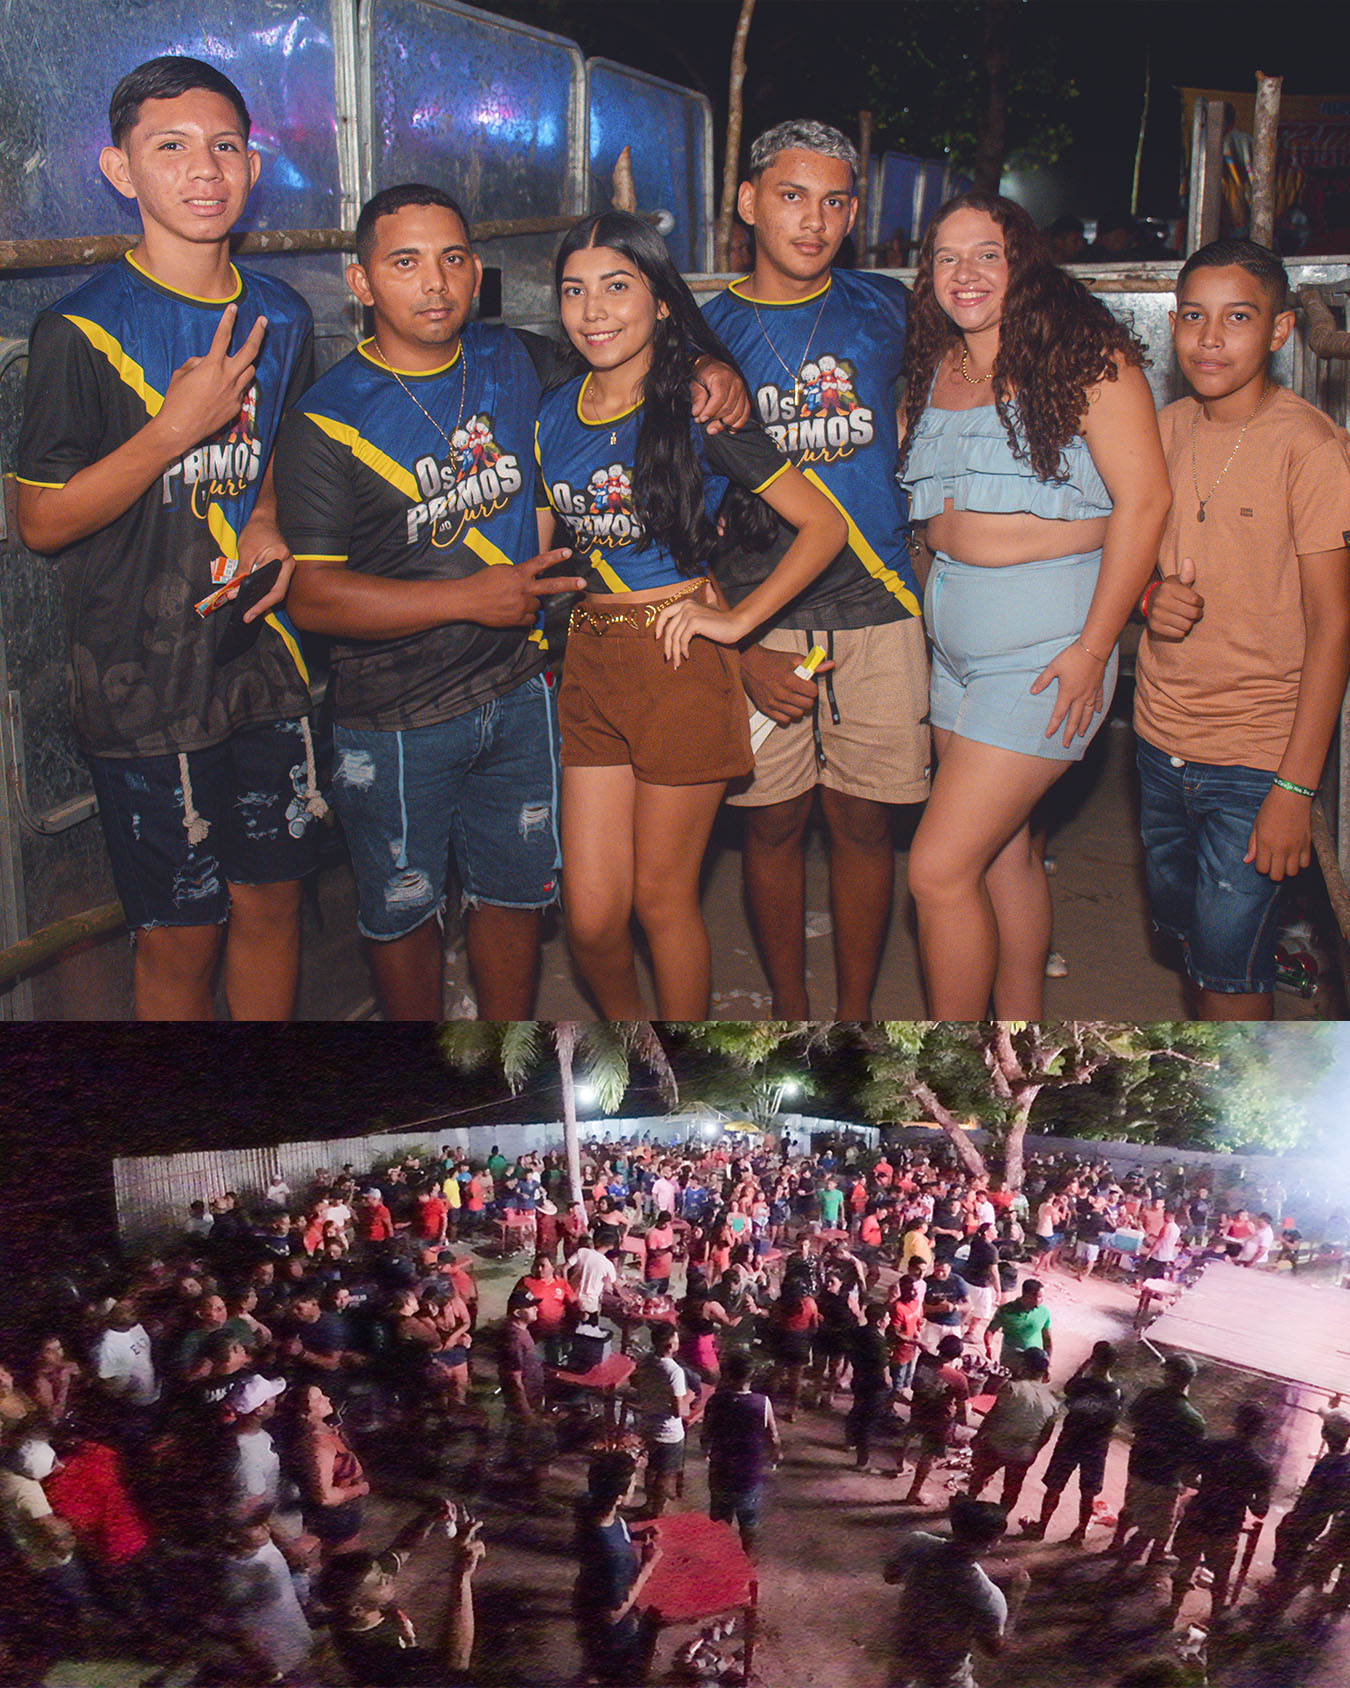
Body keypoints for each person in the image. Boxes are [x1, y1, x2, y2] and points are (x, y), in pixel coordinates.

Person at [15, 56, 321, 1020]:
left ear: (253, 165)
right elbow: (39, 520)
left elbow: (282, 455)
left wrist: (270, 519)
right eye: (171, 147)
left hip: (266, 660)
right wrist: (172, 428)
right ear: (120, 170)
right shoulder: (80, 328)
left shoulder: (285, 312)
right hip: (141, 680)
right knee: (181, 940)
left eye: (224, 146)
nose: (204, 170)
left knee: (272, 903)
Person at [536, 210, 844, 1018]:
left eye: (616, 287)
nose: (593, 310)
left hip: (679, 658)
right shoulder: (551, 415)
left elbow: (823, 526)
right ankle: (632, 1044)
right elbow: (541, 544)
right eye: (575, 291)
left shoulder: (700, 406)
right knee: (592, 916)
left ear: (661, 303)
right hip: (590, 662)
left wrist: (737, 625)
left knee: (659, 900)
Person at [897, 191, 1171, 1016]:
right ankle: (1021, 1040)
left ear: (1023, 260)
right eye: (946, 257)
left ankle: (957, 1065)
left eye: (987, 253)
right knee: (1004, 855)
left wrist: (1094, 649)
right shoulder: (934, 367)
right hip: (953, 657)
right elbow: (932, 523)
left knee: (937, 870)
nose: (966, 273)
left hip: (1046, 654)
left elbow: (1146, 504)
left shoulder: (1087, 358)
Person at [703, 119, 929, 1020]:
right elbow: (675, 515)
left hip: (878, 607)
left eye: (836, 200)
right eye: (793, 196)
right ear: (750, 202)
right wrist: (738, 646)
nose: (815, 220)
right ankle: (793, 1016)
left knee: (865, 824)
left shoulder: (889, 307)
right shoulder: (702, 331)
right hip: (764, 617)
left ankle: (854, 1016)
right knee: (772, 823)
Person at [1135, 238, 1350, 1020]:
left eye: (1238, 318)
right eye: (1194, 317)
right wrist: (1150, 600)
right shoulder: (1161, 430)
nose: (1211, 339)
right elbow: (1127, 571)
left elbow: (1335, 627)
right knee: (1193, 945)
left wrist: (1294, 786)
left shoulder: (1310, 448)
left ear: (1282, 331)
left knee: (1230, 978)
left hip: (1255, 760)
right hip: (1159, 743)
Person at [319, 1501, 485, 1686]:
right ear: (357, 1610)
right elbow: (455, 1663)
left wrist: (428, 1518)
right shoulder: (374, 1654)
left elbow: (402, 1547)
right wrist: (462, 1575)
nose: (387, 1576)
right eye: (380, 1581)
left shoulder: (357, 1600)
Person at [884, 1496, 1025, 1688]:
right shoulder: (988, 1597)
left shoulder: (917, 1543)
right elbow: (994, 1650)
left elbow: (891, 1576)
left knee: (899, 1680)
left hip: (905, 1640)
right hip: (945, 1667)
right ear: (993, 1543)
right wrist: (1016, 1600)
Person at [1166, 1400, 1272, 1625]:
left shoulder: (1210, 1447)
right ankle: (1215, 1616)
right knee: (1221, 1575)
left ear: (1236, 1422)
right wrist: (1244, 1495)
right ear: (1259, 1431)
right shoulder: (1261, 1467)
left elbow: (1186, 1476)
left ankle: (1172, 1611)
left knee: (1185, 1566)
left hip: (1199, 1515)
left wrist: (1207, 1485)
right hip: (1227, 1525)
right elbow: (1260, 1509)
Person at [572, 1450, 663, 1684]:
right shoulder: (612, 1555)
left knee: (593, 1659)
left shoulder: (590, 1510)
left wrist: (636, 1534)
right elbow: (613, 1614)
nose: (635, 1487)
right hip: (613, 1636)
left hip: (586, 1608)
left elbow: (614, 1528)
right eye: (633, 1484)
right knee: (617, 1676)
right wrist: (648, 1567)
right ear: (619, 1496)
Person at [1109, 1352, 1206, 1568]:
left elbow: (1132, 1420)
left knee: (1130, 1507)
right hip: (1165, 1479)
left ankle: (1116, 1542)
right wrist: (1194, 1481)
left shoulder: (1148, 1396)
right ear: (1189, 1379)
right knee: (1154, 1529)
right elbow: (1191, 1460)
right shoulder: (1194, 1419)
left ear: (1168, 1375)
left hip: (1137, 1466)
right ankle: (1123, 1568)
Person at [1026, 1339, 1123, 1544]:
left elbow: (1068, 1388)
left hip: (1071, 1440)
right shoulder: (1116, 1391)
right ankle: (1080, 1532)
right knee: (1088, 1492)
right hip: (1096, 1446)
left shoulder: (1081, 1384)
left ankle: (1041, 1526)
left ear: (1094, 1359)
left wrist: (1082, 1367)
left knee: (1054, 1486)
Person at [702, 1349, 781, 1553]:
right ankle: (747, 1558)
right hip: (749, 1471)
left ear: (727, 1374)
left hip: (721, 1470)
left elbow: (706, 1434)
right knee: (748, 1520)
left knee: (719, 1520)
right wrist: (775, 1453)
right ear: (752, 1375)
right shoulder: (761, 1403)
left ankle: (721, 1558)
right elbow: (772, 1436)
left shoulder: (716, 1401)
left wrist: (706, 1452)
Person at [965, 1346, 1059, 1513]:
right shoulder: (1052, 1401)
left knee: (980, 1475)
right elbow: (1045, 1436)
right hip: (1023, 1453)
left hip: (998, 1446)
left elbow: (993, 1417)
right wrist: (1031, 1452)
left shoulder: (1012, 1388)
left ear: (1025, 1366)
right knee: (1012, 1488)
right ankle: (1001, 1517)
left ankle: (968, 1502)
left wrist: (979, 1438)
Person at [287, 1380, 369, 1557]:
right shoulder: (318, 1446)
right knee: (345, 1561)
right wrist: (359, 1489)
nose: (327, 1398)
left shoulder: (326, 1432)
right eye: (317, 1399)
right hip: (337, 1516)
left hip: (344, 1511)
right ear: (304, 1414)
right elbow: (324, 1496)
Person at [895, 1334, 971, 1505]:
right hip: (939, 1420)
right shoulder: (958, 1379)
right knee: (928, 1455)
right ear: (957, 1356)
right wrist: (960, 1421)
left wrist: (920, 1343)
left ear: (939, 1347)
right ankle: (914, 1492)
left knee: (911, 1431)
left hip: (918, 1408)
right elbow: (961, 1406)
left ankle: (900, 1463)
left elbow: (925, 1351)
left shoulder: (924, 1360)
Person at [631, 1322, 691, 1518]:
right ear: (670, 1345)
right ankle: (656, 1512)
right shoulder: (674, 1372)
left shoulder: (646, 1361)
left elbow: (637, 1384)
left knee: (651, 1468)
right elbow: (678, 1410)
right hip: (669, 1433)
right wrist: (689, 1398)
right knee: (665, 1473)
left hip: (648, 1425)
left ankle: (648, 1503)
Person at [846, 1300, 895, 1473]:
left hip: (859, 1379)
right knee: (868, 1423)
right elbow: (884, 1370)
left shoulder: (858, 1332)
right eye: (887, 1317)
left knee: (856, 1411)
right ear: (880, 1321)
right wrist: (890, 1385)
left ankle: (849, 1441)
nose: (889, 1319)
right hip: (875, 1386)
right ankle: (862, 1461)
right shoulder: (878, 1342)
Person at [986, 1278, 1052, 1373]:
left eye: (1042, 1297)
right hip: (1011, 1358)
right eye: (1038, 1297)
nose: (1041, 1301)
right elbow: (990, 1331)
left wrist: (1047, 1365)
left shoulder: (1043, 1312)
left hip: (1035, 1360)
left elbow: (1047, 1340)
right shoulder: (1005, 1311)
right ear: (1027, 1295)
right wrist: (989, 1347)